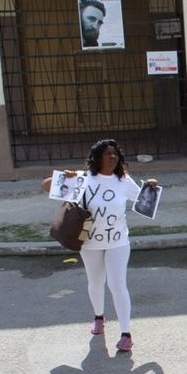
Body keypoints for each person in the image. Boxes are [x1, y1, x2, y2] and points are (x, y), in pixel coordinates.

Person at [41, 139, 158, 352]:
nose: (112, 157)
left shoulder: (123, 180)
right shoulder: (84, 179)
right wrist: (64, 177)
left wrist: (150, 187)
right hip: (90, 242)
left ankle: (126, 333)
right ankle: (98, 317)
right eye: (107, 153)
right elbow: (46, 186)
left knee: (117, 284)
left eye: (115, 153)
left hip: (118, 241)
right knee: (96, 283)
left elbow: (144, 201)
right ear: (97, 158)